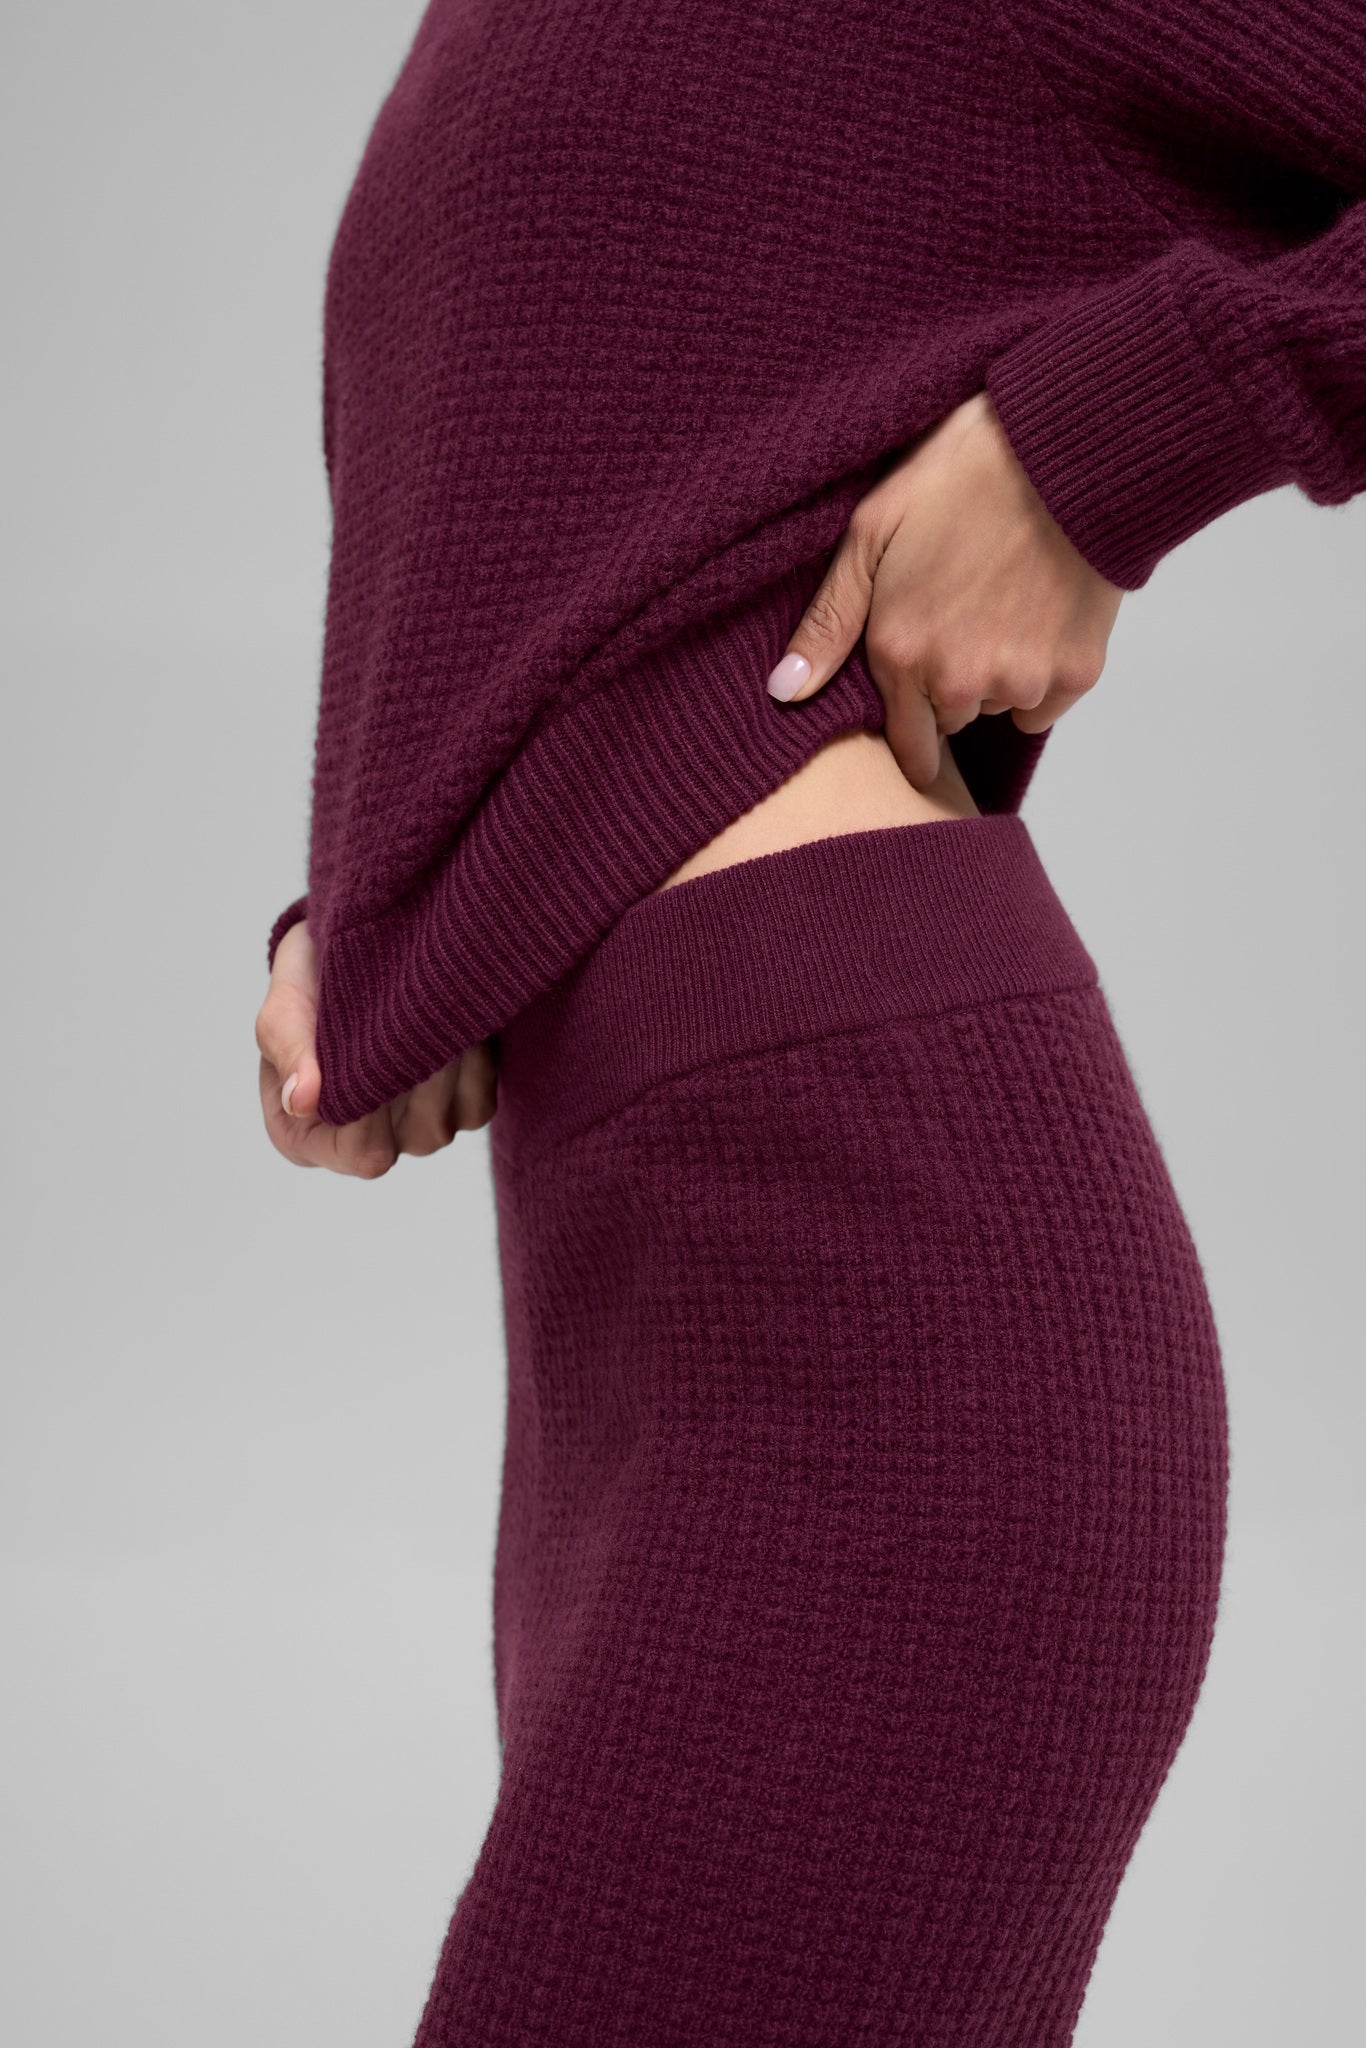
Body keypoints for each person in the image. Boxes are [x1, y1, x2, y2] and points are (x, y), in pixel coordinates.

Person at [255, 3, 1366, 2040]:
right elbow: (606, 494)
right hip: (637, 1317)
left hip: (879, 1301)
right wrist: (394, 912)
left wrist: (1114, 432)